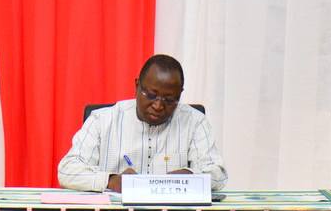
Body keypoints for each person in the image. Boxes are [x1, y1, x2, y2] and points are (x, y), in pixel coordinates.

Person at [58, 54, 228, 192]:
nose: (158, 106)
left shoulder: (195, 122)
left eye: (169, 100)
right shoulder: (102, 120)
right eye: (151, 96)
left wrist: (190, 177)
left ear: (180, 95)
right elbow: (67, 170)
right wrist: (111, 180)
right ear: (137, 86)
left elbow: (218, 175)